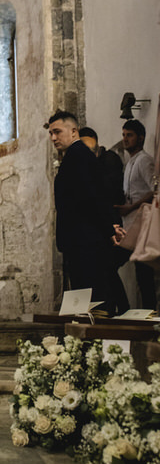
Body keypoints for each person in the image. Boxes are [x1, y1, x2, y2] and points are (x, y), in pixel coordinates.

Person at [47, 110, 117, 313]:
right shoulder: (75, 156)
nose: (53, 138)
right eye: (51, 133)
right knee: (85, 301)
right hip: (81, 240)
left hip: (86, 241)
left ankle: (93, 342)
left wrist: (109, 228)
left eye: (57, 132)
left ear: (74, 131)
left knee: (93, 302)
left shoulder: (79, 156)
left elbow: (92, 197)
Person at [78, 126, 129, 314]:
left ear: (94, 142)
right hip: (102, 226)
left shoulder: (109, 160)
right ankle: (117, 309)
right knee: (106, 270)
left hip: (111, 225)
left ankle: (120, 310)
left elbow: (107, 193)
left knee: (107, 268)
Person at [114, 119, 157, 309]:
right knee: (115, 267)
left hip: (141, 227)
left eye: (129, 135)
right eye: (123, 135)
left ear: (140, 137)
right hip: (129, 226)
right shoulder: (131, 162)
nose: (125, 139)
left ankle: (147, 318)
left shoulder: (145, 160)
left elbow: (154, 191)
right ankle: (128, 310)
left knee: (144, 277)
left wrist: (131, 208)